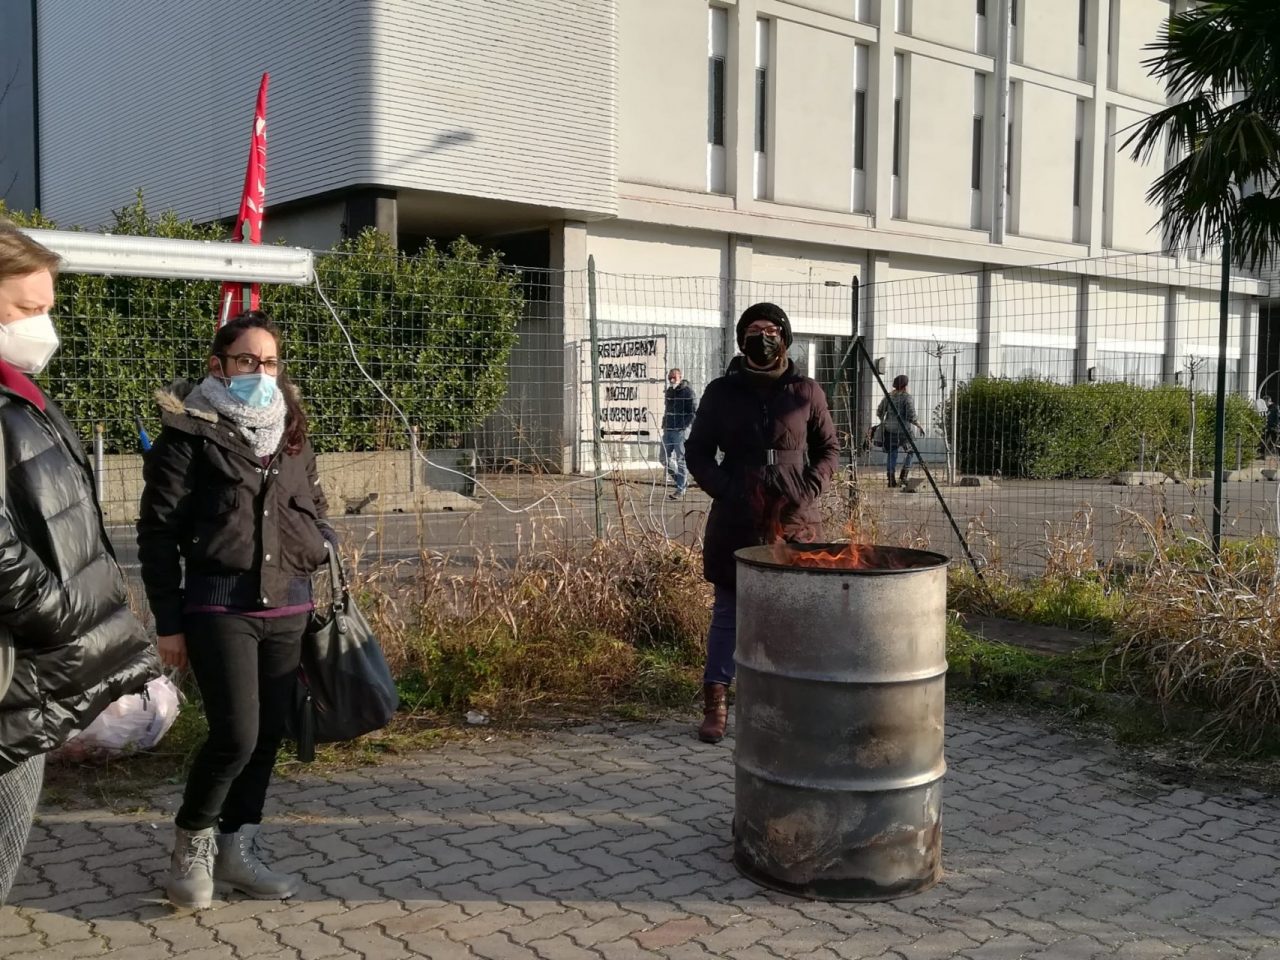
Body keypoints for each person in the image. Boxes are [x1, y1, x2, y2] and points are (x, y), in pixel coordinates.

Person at [137, 311, 336, 909]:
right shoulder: (187, 434)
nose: (260, 372)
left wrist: (320, 543)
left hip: (288, 607)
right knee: (236, 736)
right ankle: (191, 847)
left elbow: (315, 504)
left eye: (269, 361)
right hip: (218, 609)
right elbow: (157, 534)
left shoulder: (292, 431)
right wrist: (168, 622)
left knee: (269, 734)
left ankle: (237, 848)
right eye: (247, 360)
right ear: (218, 366)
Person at [0, 225, 157, 904]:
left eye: (47, 308)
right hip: (14, 667)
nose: (43, 327)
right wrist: (58, 617)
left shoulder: (17, 392)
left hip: (25, 667)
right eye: (25, 309)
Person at [685, 303, 839, 744]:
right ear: (742, 340)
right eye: (753, 330)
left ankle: (792, 703)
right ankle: (716, 702)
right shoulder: (721, 392)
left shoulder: (806, 391)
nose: (762, 337)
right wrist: (728, 489)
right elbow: (697, 452)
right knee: (728, 611)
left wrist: (808, 489)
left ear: (784, 338)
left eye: (771, 330)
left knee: (796, 613)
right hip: (738, 516)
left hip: (795, 520)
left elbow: (828, 449)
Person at [877, 374, 923, 488]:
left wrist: (885, 421)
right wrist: (919, 425)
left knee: (892, 454)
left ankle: (891, 480)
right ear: (905, 386)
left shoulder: (888, 396)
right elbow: (911, 415)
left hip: (889, 430)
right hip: (904, 431)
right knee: (911, 451)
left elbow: (879, 411)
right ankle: (903, 476)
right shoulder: (907, 397)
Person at [660, 367, 697, 499]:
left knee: (681, 459)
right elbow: (667, 410)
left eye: (674, 377)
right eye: (670, 377)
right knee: (663, 458)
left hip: (680, 431)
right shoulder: (669, 391)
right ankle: (681, 482)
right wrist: (665, 424)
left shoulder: (687, 392)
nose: (671, 380)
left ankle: (681, 488)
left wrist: (684, 426)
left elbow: (693, 412)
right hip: (668, 429)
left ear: (680, 377)